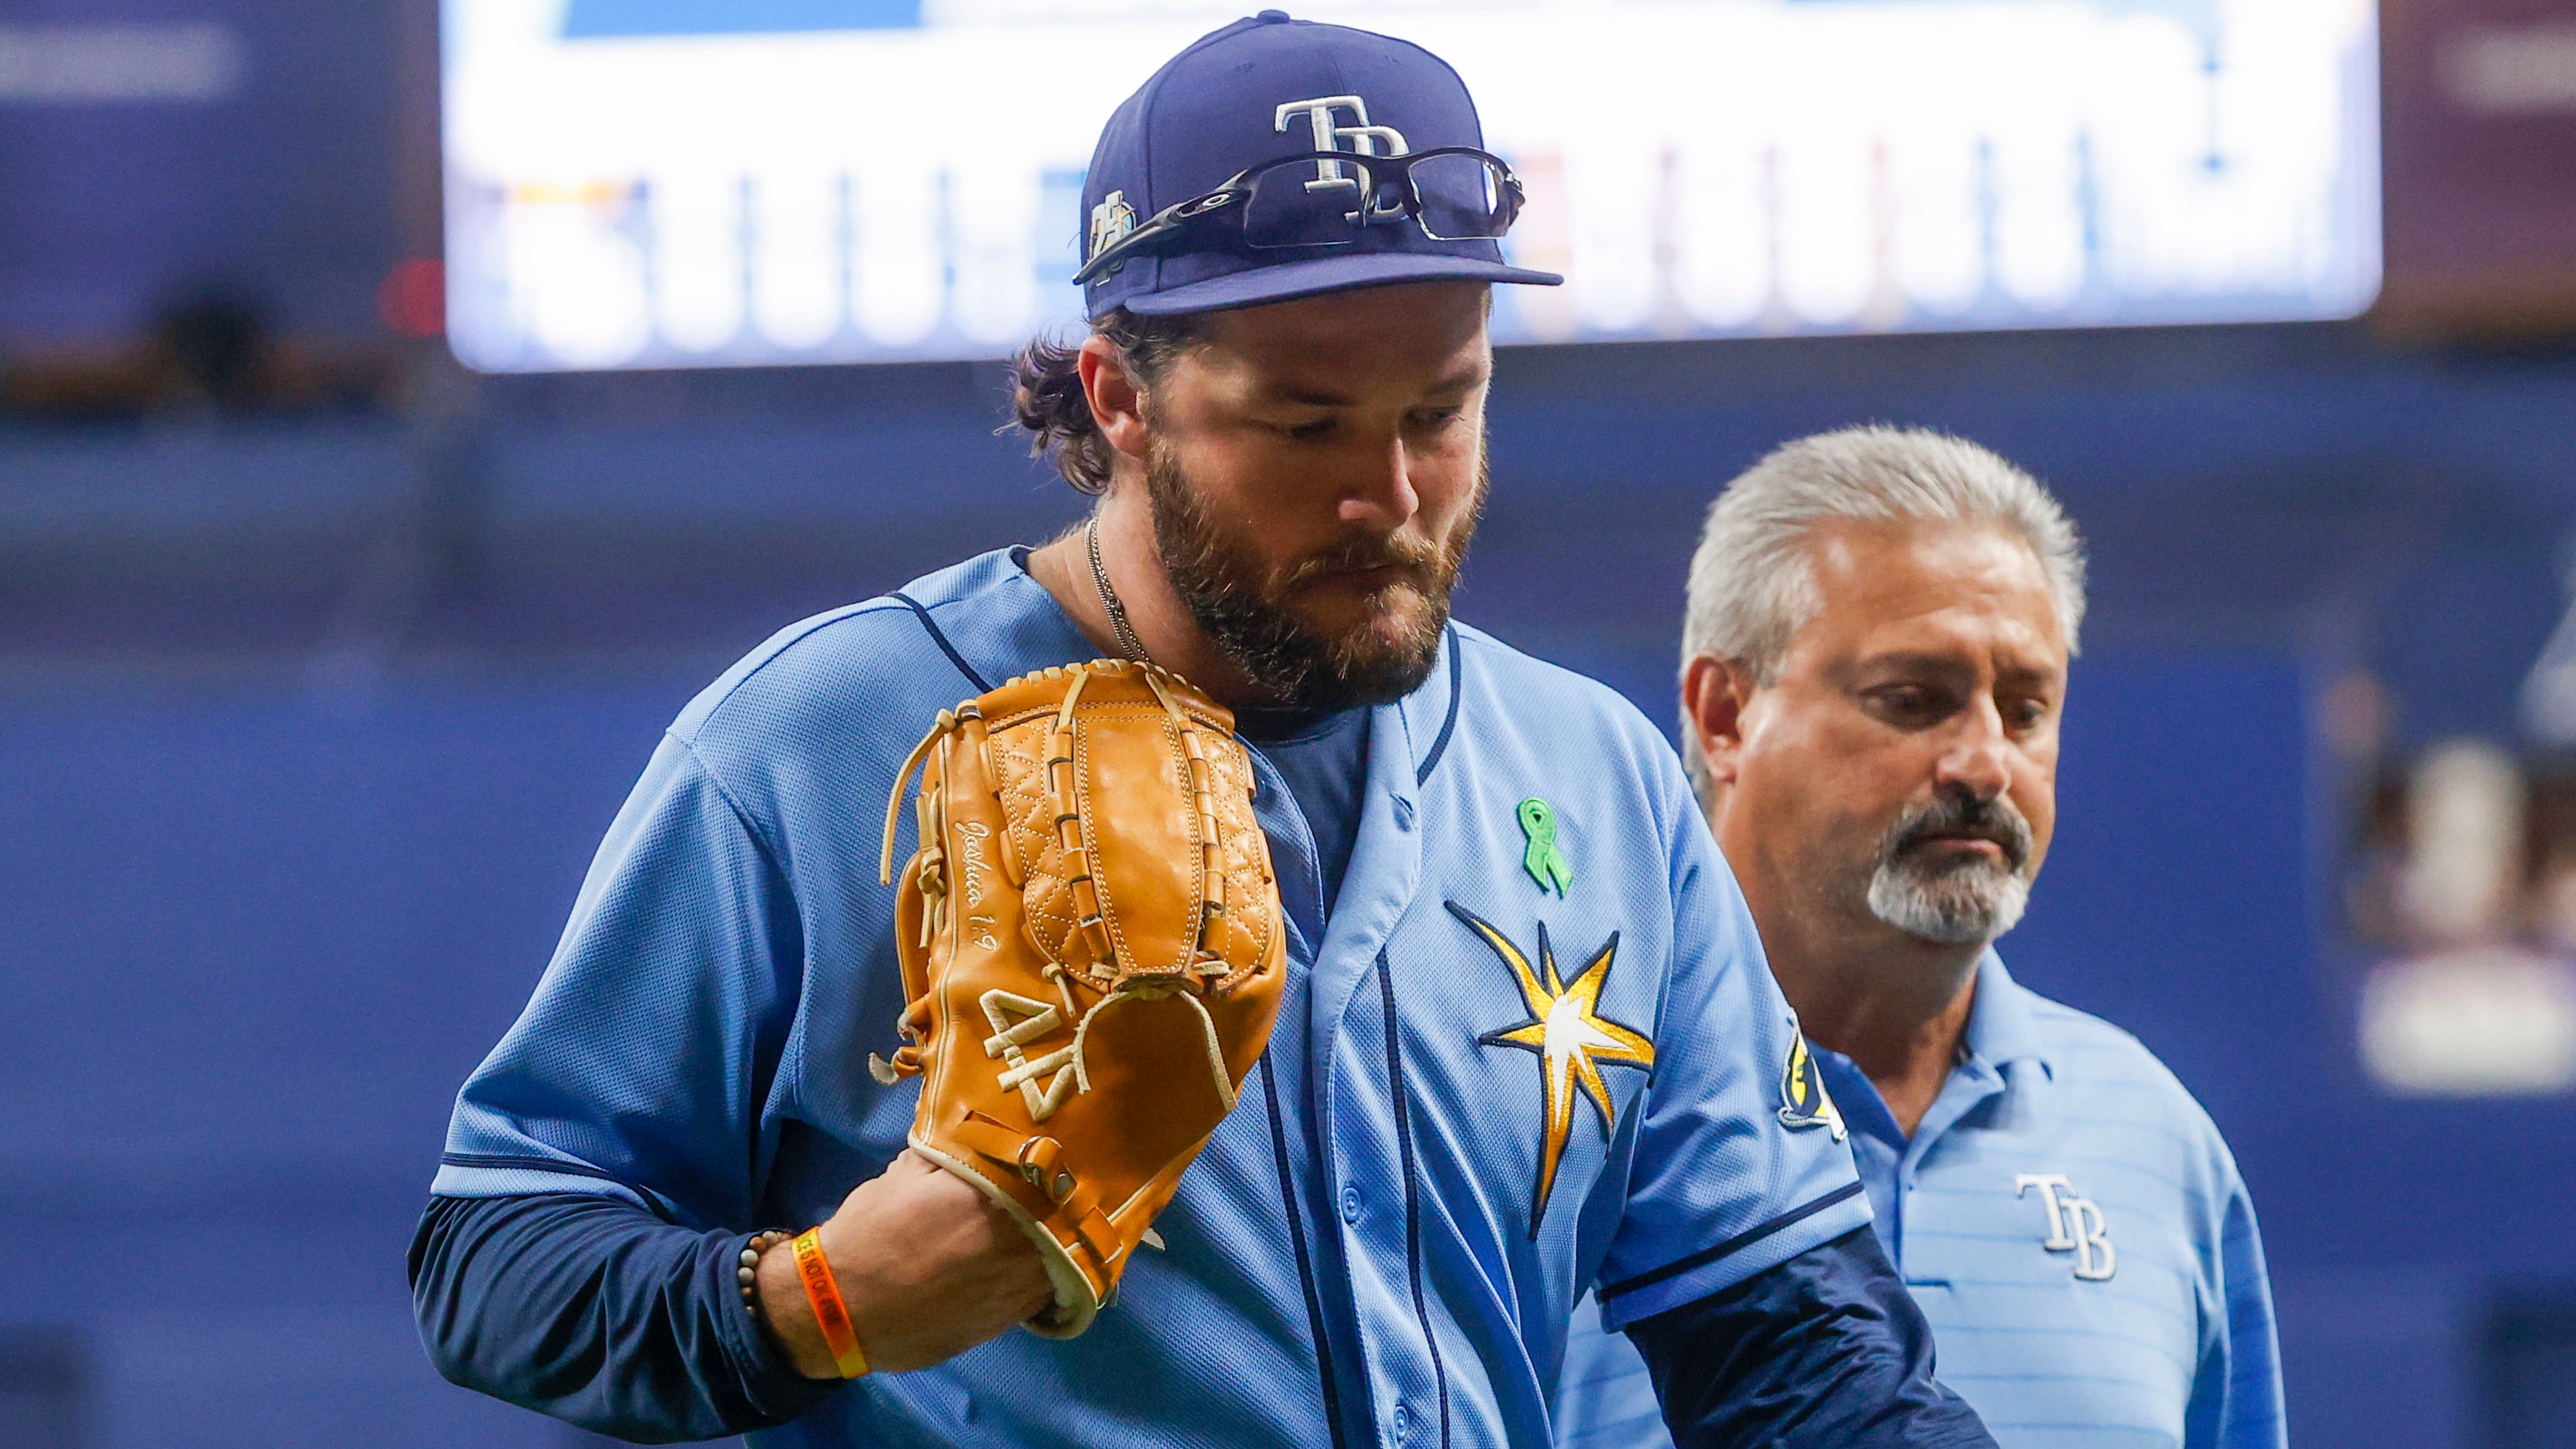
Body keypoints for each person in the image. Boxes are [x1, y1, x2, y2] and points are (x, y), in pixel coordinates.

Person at [408, 16, 1995, 1449]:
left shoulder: (1589, 777)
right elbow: (498, 1251)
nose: (1390, 495)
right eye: (1304, 426)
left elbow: (1791, 1348)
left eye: (1439, 412)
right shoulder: (820, 747)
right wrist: (815, 1301)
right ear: (1117, 396)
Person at [1553, 427, 2286, 1449]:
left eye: (2027, 708)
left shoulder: (2158, 1143)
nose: (1986, 762)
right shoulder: (1557, 1116)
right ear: (1724, 715)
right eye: (1916, 699)